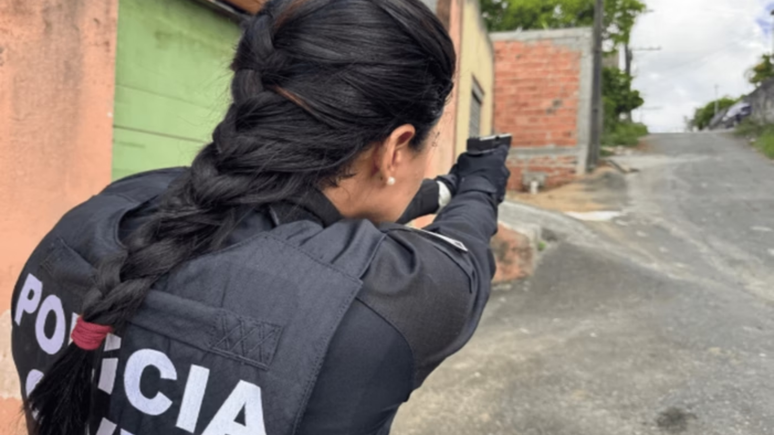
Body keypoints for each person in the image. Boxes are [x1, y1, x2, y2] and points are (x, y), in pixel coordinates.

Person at [11, 0, 510, 434]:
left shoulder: (109, 208)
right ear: (396, 148)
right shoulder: (387, 299)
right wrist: (481, 180)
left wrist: (439, 189)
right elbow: (464, 245)